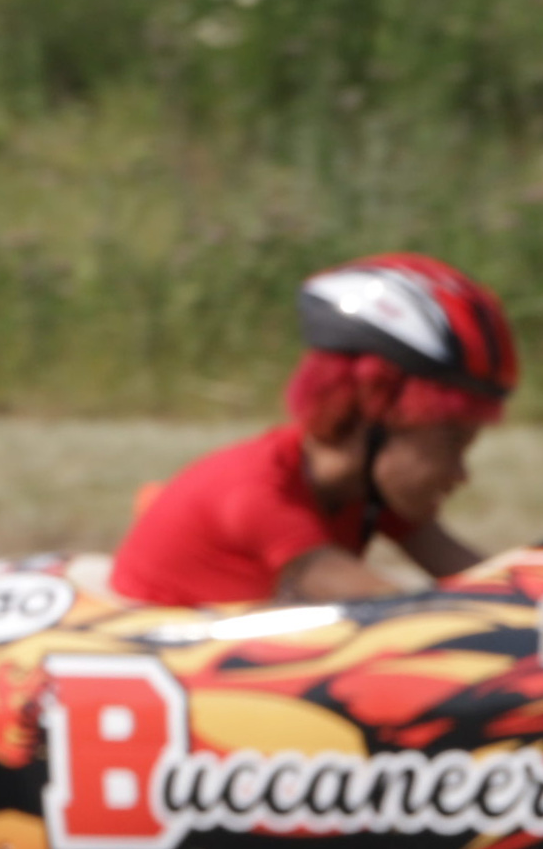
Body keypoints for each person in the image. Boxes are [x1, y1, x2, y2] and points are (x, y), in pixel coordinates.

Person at [106, 255, 519, 609]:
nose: (461, 473)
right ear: (373, 408)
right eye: (451, 443)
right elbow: (386, 607)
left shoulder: (368, 493)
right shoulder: (259, 489)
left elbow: (484, 583)